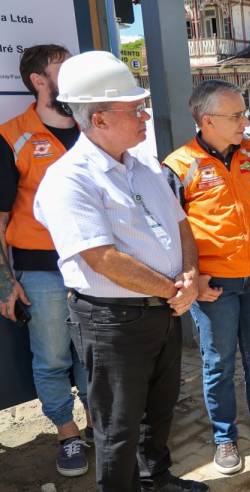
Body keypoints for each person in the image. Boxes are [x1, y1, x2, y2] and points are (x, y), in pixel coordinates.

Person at [33, 51, 207, 491]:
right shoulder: (69, 179)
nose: (144, 114)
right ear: (99, 119)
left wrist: (187, 275)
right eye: (133, 108)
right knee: (118, 426)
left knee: (159, 410)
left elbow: (182, 225)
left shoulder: (145, 165)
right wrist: (175, 289)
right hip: (113, 321)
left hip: (162, 311)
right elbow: (101, 258)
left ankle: (157, 479)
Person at [163, 80, 250, 476]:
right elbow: (170, 234)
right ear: (207, 121)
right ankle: (224, 438)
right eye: (236, 115)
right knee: (218, 362)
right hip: (213, 285)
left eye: (243, 113)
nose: (246, 121)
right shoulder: (178, 166)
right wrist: (192, 279)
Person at [0, 44, 92, 478]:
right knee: (54, 358)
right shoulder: (11, 135)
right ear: (39, 80)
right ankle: (68, 435)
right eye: (63, 69)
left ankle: (104, 427)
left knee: (97, 355)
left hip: (96, 265)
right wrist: (5, 282)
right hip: (41, 270)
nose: (72, 75)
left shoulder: (94, 127)